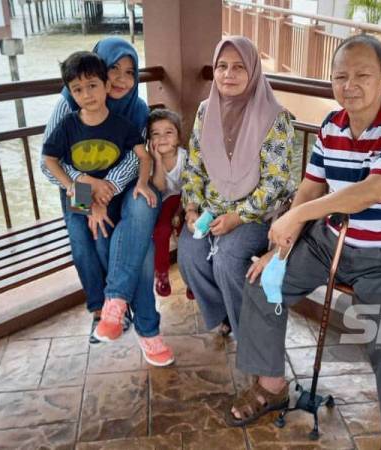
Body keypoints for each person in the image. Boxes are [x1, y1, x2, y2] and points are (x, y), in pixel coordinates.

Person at [228, 34, 381, 450]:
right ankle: (271, 387)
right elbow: (310, 187)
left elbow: (373, 190)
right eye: (341, 76)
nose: (349, 85)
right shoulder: (331, 125)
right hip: (331, 240)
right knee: (261, 282)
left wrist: (298, 215)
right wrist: (279, 246)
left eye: (362, 75)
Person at [41, 49, 174, 367]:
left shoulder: (136, 110)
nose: (121, 79)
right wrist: (86, 189)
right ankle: (106, 310)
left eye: (130, 72)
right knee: (87, 244)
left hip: (123, 187)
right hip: (77, 189)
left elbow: (136, 157)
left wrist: (108, 188)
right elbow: (49, 164)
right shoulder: (68, 107)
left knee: (137, 226)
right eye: (114, 69)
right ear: (102, 70)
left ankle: (131, 315)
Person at [178, 36, 294, 336]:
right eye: (222, 66)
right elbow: (193, 165)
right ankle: (225, 315)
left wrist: (238, 218)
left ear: (253, 71)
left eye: (239, 67)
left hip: (256, 213)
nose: (228, 74)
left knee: (228, 258)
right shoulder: (206, 111)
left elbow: (275, 182)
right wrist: (191, 208)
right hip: (210, 210)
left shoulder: (274, 118)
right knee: (189, 254)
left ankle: (251, 336)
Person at [148, 108, 192, 298]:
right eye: (155, 134)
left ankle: (192, 279)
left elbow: (190, 189)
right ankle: (162, 274)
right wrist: (157, 160)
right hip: (163, 204)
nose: (162, 138)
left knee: (188, 234)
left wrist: (180, 212)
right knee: (161, 232)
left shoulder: (185, 157)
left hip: (186, 202)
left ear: (178, 138)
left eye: (169, 132)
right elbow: (158, 187)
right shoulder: (149, 161)